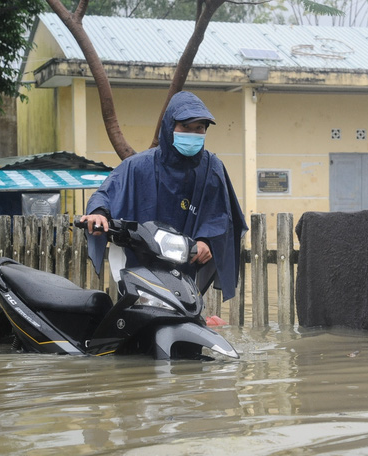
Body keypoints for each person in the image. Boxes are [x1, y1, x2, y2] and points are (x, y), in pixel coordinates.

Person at [80, 91, 247, 301]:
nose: (192, 133)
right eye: (185, 127)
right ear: (169, 127)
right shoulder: (137, 166)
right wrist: (98, 213)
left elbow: (221, 214)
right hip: (139, 265)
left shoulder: (212, 168)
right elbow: (107, 192)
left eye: (199, 128)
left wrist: (207, 241)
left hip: (186, 269)